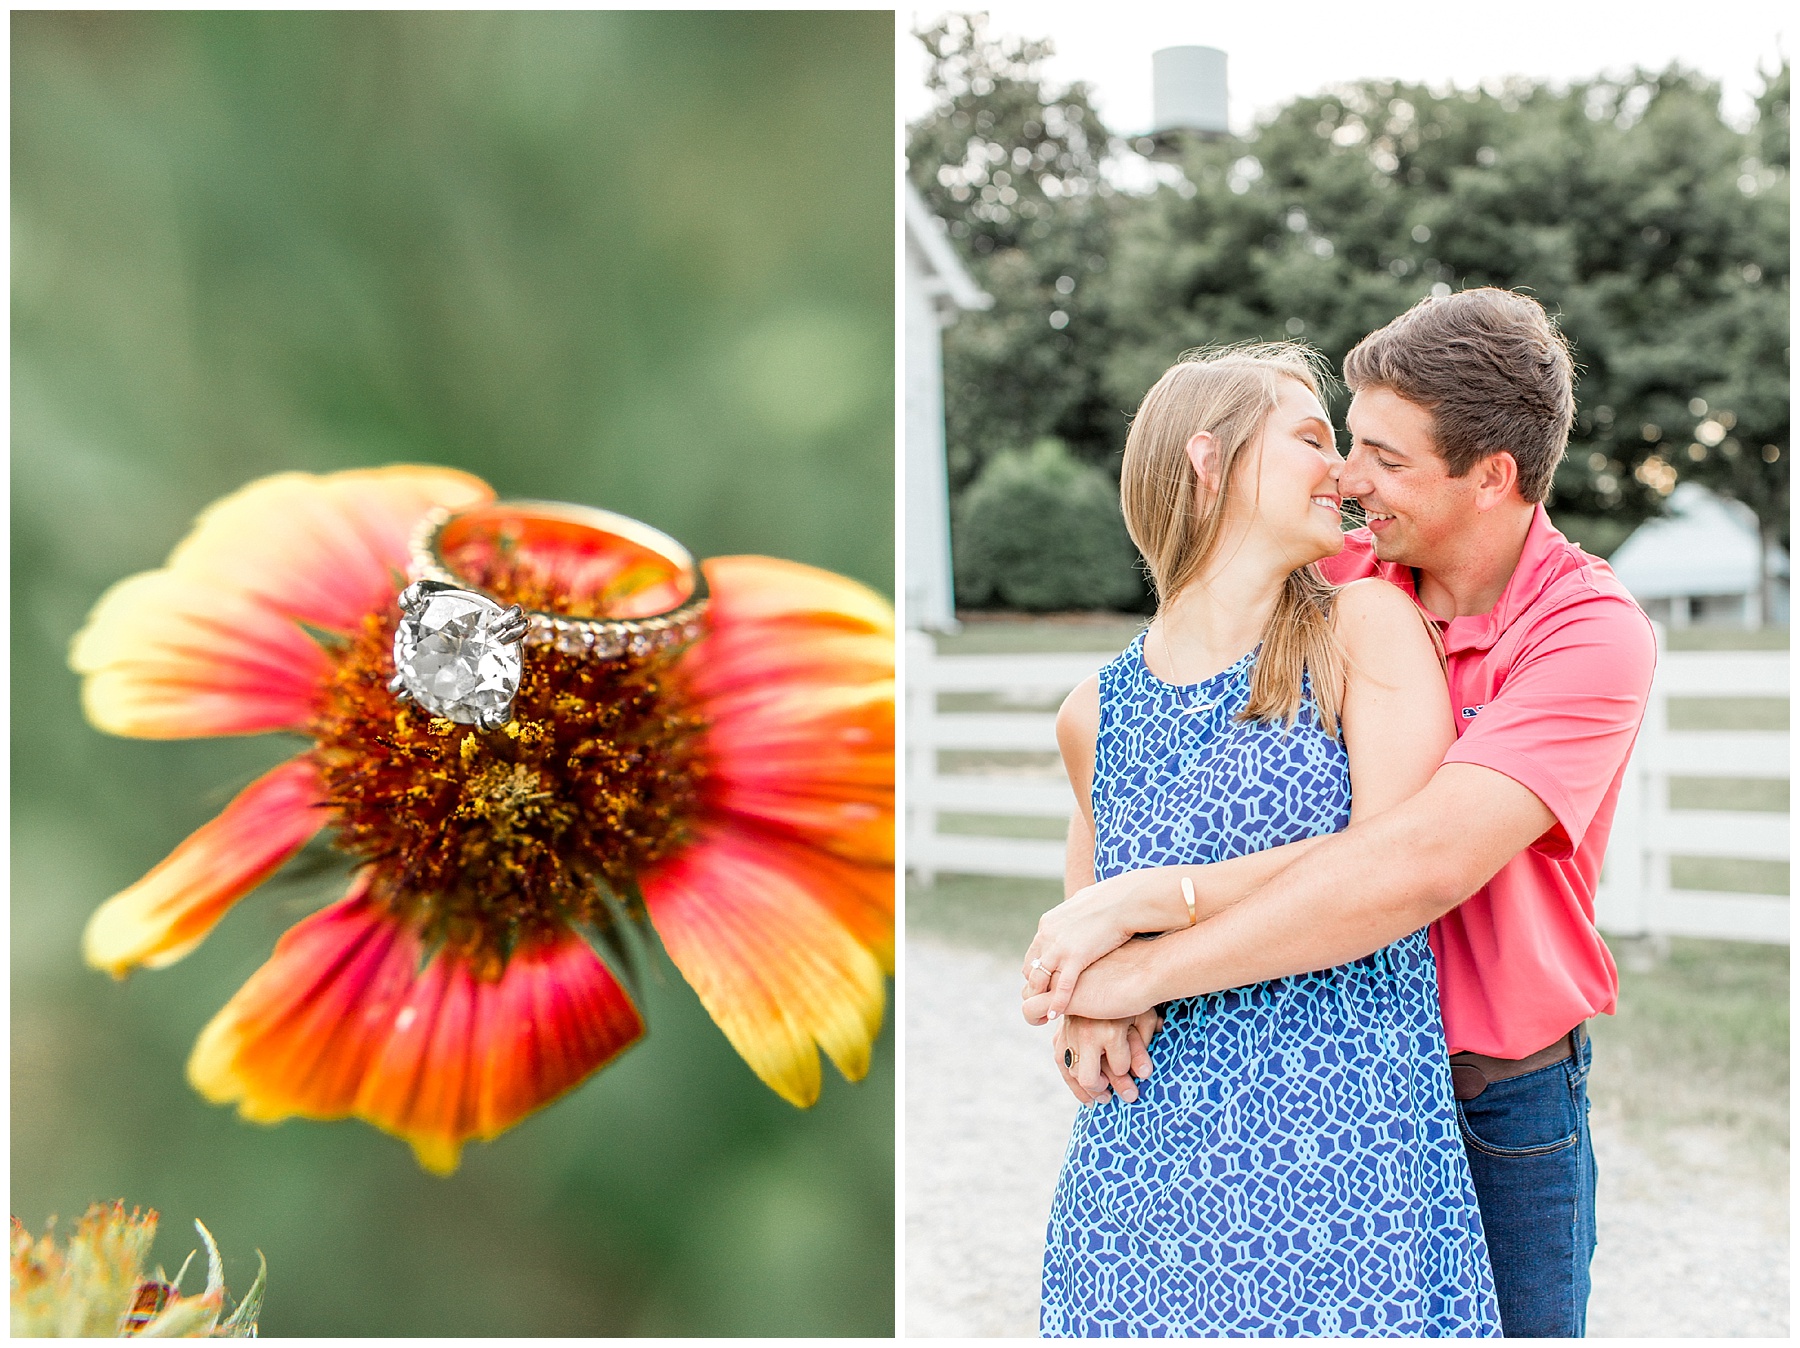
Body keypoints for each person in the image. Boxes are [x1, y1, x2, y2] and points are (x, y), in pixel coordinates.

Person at [1024, 289, 1657, 1338]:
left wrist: (1136, 951)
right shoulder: (1332, 573)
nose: (1350, 478)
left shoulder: (1588, 632)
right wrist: (1094, 963)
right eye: (1338, 442)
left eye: (1383, 458)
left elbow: (1410, 864)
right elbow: (1157, 752)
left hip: (1486, 1090)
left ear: (1491, 476)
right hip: (1244, 1066)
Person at [1035, 341, 1501, 1337]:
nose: (1341, 471)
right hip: (1142, 1198)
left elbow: (1398, 860)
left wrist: (1155, 900)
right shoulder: (1092, 715)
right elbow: (1086, 968)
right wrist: (1088, 984)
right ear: (1209, 462)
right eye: (1310, 439)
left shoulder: (1363, 627)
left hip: (1346, 1168)